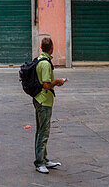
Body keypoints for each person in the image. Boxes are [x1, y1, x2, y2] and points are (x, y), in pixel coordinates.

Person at [32, 37, 66, 174]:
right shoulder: (45, 64)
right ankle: (39, 162)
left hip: (39, 99)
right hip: (44, 101)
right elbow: (46, 84)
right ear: (51, 48)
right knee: (43, 132)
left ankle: (44, 159)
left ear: (41, 47)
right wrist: (56, 82)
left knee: (41, 130)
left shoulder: (40, 60)